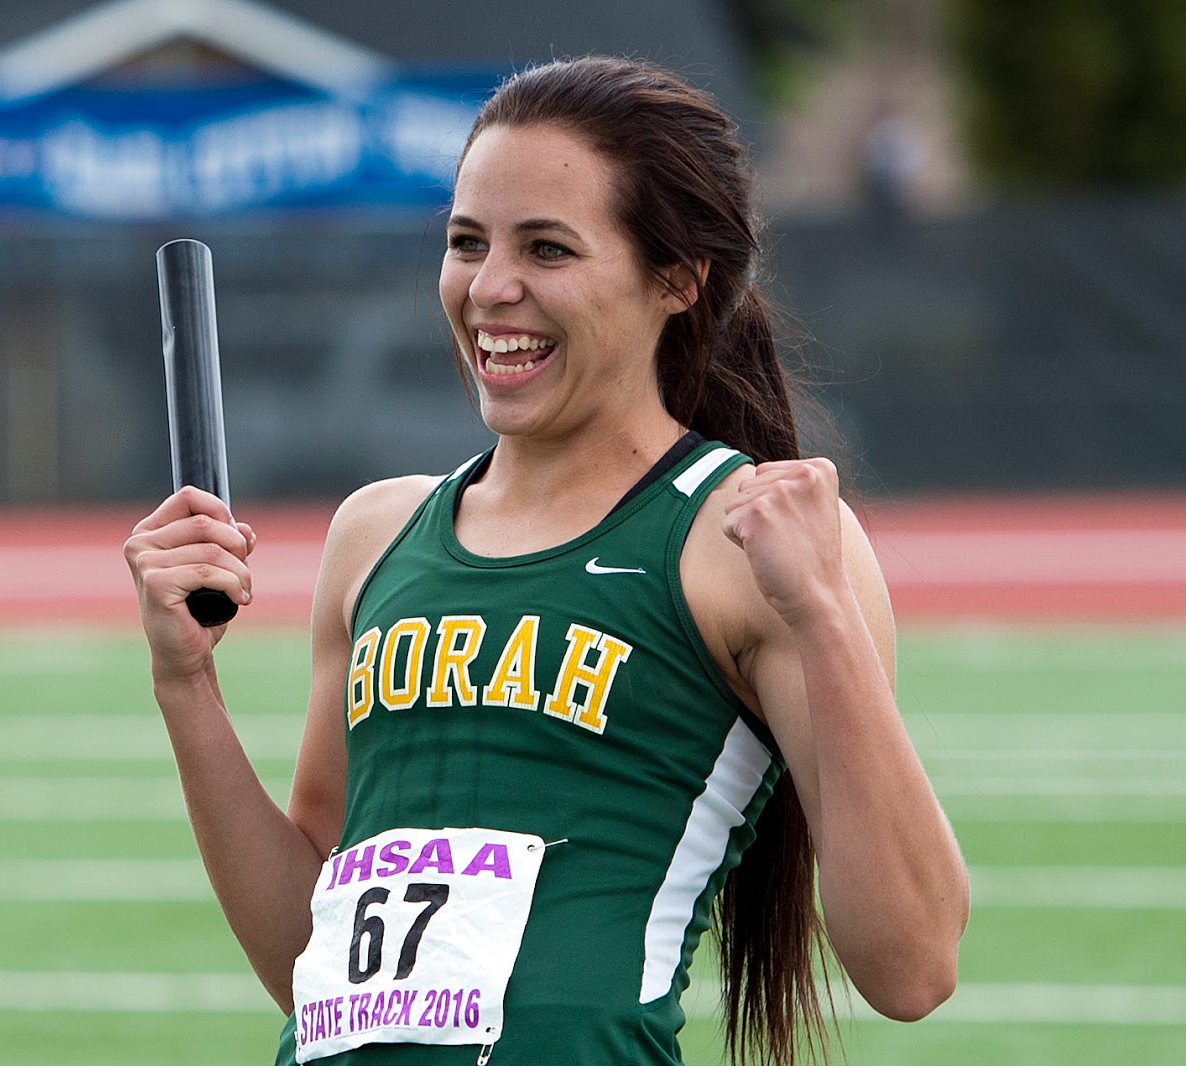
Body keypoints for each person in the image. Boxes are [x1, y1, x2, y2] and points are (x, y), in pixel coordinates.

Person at [125, 56, 968, 1066]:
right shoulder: (377, 535)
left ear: (677, 279)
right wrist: (186, 684)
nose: (490, 288)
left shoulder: (739, 535)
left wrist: (823, 613)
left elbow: (912, 966)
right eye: (465, 242)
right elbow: (310, 957)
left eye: (547, 249)